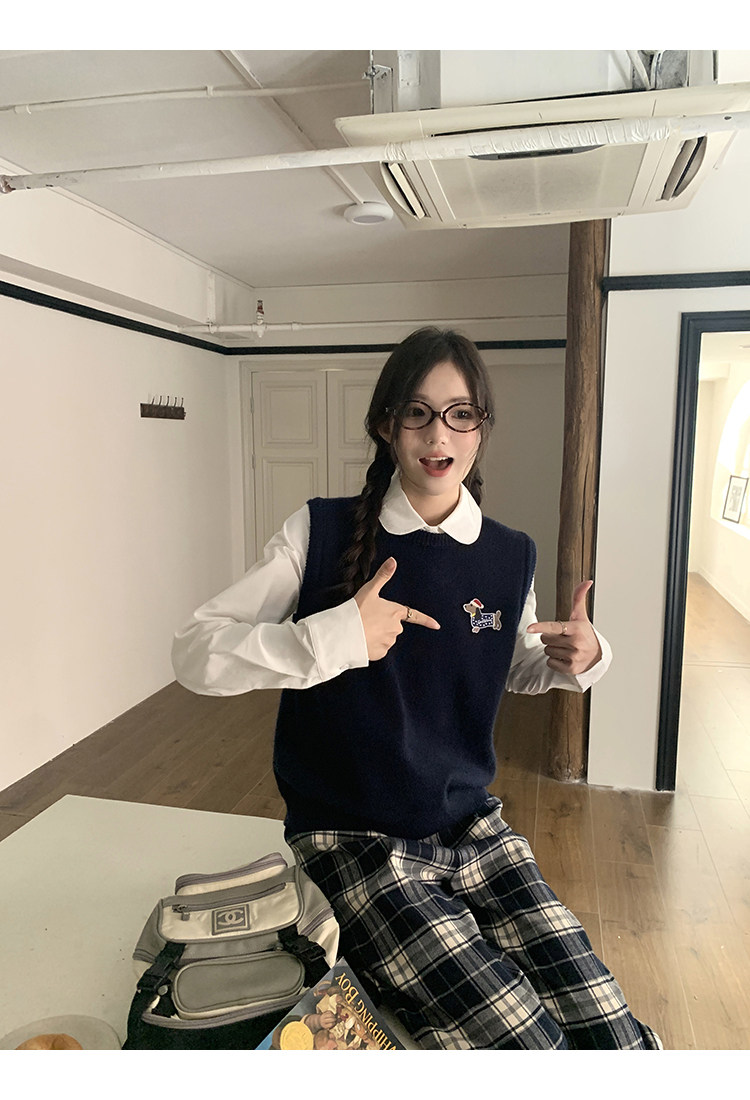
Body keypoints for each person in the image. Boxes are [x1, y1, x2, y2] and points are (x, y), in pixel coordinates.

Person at [172, 327, 661, 1051]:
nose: (440, 435)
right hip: (351, 838)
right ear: (385, 425)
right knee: (526, 1046)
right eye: (418, 413)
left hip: (473, 828)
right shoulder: (320, 531)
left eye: (461, 414)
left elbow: (513, 666)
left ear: (482, 427)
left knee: (613, 1032)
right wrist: (333, 637)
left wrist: (579, 658)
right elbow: (195, 651)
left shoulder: (509, 554)